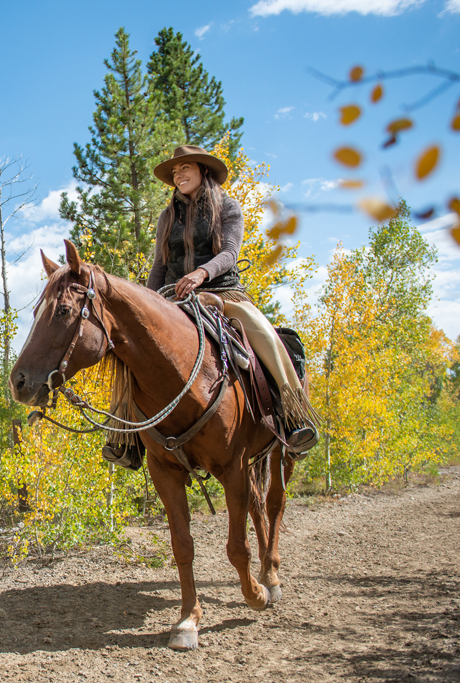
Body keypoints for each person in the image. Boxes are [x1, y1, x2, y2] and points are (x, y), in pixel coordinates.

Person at [102, 144, 317, 470]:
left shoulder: (227, 207)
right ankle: (126, 438)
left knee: (263, 333)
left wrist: (202, 273)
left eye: (185, 168)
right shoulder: (167, 216)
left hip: (224, 292)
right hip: (172, 298)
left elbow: (230, 252)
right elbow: (160, 267)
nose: (178, 175)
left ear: (203, 170)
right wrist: (144, 305)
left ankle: (293, 416)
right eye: (174, 172)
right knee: (135, 346)